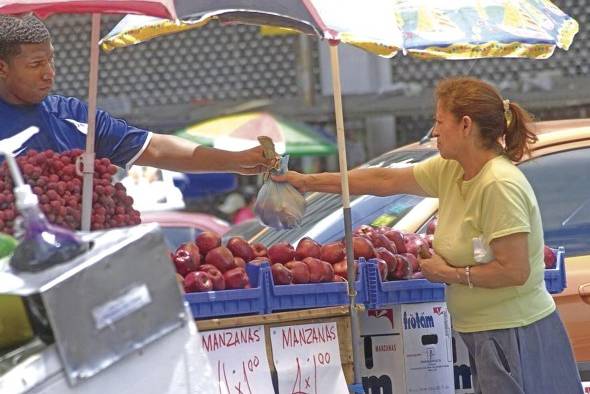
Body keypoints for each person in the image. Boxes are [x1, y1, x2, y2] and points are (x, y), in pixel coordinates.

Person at [274, 77, 583, 393]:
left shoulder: (498, 184)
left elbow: (514, 271)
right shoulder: (453, 170)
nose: (435, 131)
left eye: (439, 122)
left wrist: (447, 273)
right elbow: (384, 180)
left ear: (465, 125)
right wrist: (307, 181)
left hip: (514, 333)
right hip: (485, 332)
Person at [0, 14, 274, 176]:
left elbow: (153, 148)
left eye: (51, 60)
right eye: (36, 65)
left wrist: (233, 160)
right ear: (3, 68)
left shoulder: (70, 115)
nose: (49, 73)